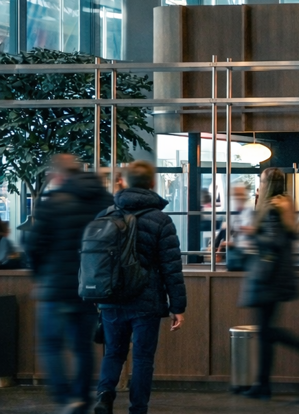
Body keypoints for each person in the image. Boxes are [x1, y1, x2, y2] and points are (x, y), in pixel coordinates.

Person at [94, 161, 186, 414]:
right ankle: (138, 408)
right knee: (143, 358)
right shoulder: (161, 220)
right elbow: (171, 268)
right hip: (146, 301)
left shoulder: (106, 215)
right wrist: (177, 306)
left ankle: (104, 395)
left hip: (110, 298)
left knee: (113, 352)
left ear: (124, 182)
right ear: (152, 184)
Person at [23, 155, 113, 413]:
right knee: (83, 347)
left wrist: (40, 276)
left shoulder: (53, 202)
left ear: (58, 175)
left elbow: (34, 245)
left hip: (54, 289)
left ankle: (66, 399)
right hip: (88, 287)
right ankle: (81, 398)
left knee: (51, 345)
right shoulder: (104, 200)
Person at [239, 167, 299, 400]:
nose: (259, 185)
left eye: (261, 181)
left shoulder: (272, 208)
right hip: (276, 276)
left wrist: (253, 233)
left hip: (268, 277)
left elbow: (273, 241)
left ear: (268, 184)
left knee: (266, 331)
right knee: (265, 333)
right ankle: (263, 385)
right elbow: (288, 237)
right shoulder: (283, 206)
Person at [222, 184, 254, 271]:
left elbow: (253, 232)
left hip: (248, 254)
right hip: (234, 254)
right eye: (236, 194)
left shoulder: (250, 210)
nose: (238, 197)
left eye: (241, 194)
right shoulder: (232, 211)